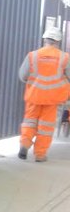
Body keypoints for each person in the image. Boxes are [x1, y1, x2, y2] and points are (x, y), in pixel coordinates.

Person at [17, 25, 70, 162]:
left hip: (34, 96)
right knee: (46, 126)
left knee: (29, 121)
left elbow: (23, 76)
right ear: (58, 42)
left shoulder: (33, 55)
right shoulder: (65, 58)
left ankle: (25, 144)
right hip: (53, 98)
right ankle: (40, 155)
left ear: (44, 40)